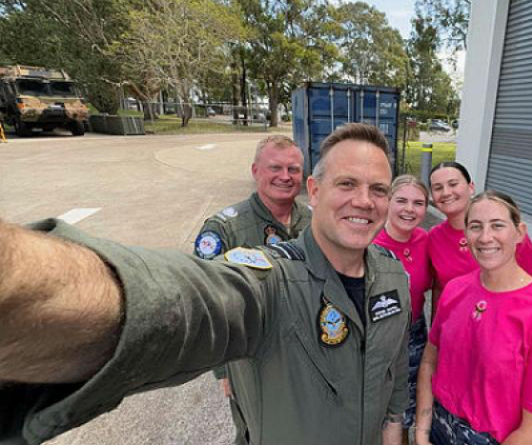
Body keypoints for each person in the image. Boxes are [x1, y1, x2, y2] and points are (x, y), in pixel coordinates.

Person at [0, 123, 409, 445]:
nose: (364, 201)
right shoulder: (271, 281)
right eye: (347, 184)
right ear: (315, 192)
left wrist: (394, 429)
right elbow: (188, 300)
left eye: (378, 189)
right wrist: (24, 280)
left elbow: (392, 373)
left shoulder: (393, 278)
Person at [415, 191, 532, 445]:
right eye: (475, 226)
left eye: (497, 225)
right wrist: (422, 433)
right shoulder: (455, 290)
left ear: (520, 232)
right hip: (439, 428)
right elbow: (429, 362)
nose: (485, 237)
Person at [194, 135, 311, 444]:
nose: (285, 177)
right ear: (255, 170)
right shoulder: (225, 229)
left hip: (307, 355)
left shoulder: (314, 221)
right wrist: (222, 372)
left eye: (293, 169)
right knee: (256, 432)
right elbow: (207, 305)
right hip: (251, 361)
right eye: (275, 167)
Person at [427, 162, 532, 314]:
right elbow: (439, 287)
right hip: (457, 325)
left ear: (470, 187)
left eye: (453, 184)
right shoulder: (434, 237)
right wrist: (438, 327)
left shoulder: (507, 233)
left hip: (504, 323)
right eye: (438, 188)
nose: (446, 192)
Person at [372, 174, 433, 437]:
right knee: (384, 406)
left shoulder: (425, 240)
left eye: (418, 203)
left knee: (411, 402)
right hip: (381, 335)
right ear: (387, 201)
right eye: (402, 201)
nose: (410, 209)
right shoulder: (370, 244)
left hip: (416, 332)